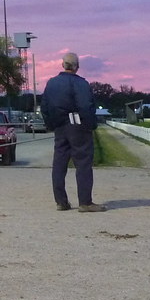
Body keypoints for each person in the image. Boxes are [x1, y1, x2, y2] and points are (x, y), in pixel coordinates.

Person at [41, 52, 105, 212]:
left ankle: (61, 202)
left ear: (63, 65)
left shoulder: (51, 83)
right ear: (77, 66)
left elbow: (44, 107)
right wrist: (90, 124)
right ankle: (85, 202)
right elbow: (85, 106)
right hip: (78, 125)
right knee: (83, 163)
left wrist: (51, 124)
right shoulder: (81, 84)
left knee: (59, 164)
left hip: (60, 126)